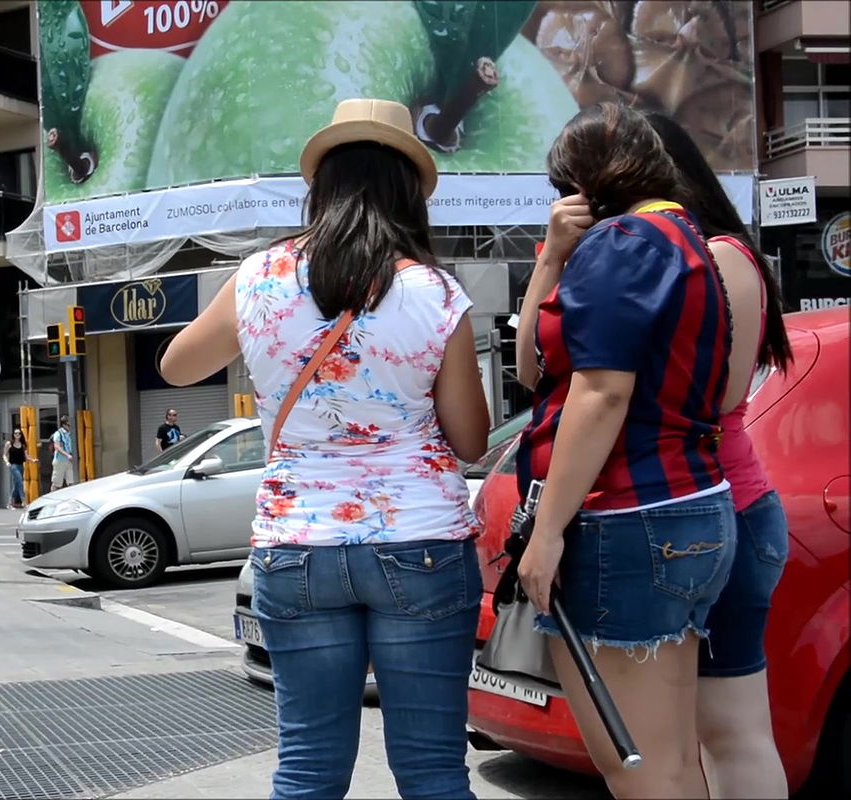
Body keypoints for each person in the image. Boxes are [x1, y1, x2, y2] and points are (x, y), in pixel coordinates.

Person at [160, 98, 490, 800]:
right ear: (408, 190)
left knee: (308, 769)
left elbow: (176, 366)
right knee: (433, 772)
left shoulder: (259, 276)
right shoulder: (435, 293)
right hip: (421, 541)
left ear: (322, 185)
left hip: (297, 543)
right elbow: (469, 440)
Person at [513, 103, 734, 799]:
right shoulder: (686, 238)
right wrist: (554, 255)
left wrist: (547, 532)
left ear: (585, 183)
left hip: (625, 514)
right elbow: (537, 371)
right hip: (685, 502)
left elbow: (601, 391)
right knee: (670, 760)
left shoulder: (621, 243)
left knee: (635, 766)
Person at [644, 110, 795, 799]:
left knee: (732, 730)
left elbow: (720, 395)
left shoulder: (723, 255)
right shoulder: (664, 253)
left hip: (726, 507)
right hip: (690, 508)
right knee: (697, 737)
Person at [2, 429, 36, 510]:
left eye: (19, 433)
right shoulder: (9, 444)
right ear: (13, 434)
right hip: (13, 466)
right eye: (15, 433)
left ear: (21, 435)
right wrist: (7, 462)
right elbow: (4, 455)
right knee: (20, 482)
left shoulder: (23, 445)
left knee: (16, 485)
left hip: (21, 466)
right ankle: (24, 502)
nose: (17, 435)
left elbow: (26, 456)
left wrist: (33, 460)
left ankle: (10, 504)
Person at [49, 417, 74, 492]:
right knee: (56, 483)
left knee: (71, 482)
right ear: (64, 425)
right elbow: (57, 446)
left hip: (69, 461)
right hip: (60, 460)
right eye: (68, 425)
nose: (70, 427)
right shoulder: (58, 434)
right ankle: (52, 496)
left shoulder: (70, 434)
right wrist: (67, 455)